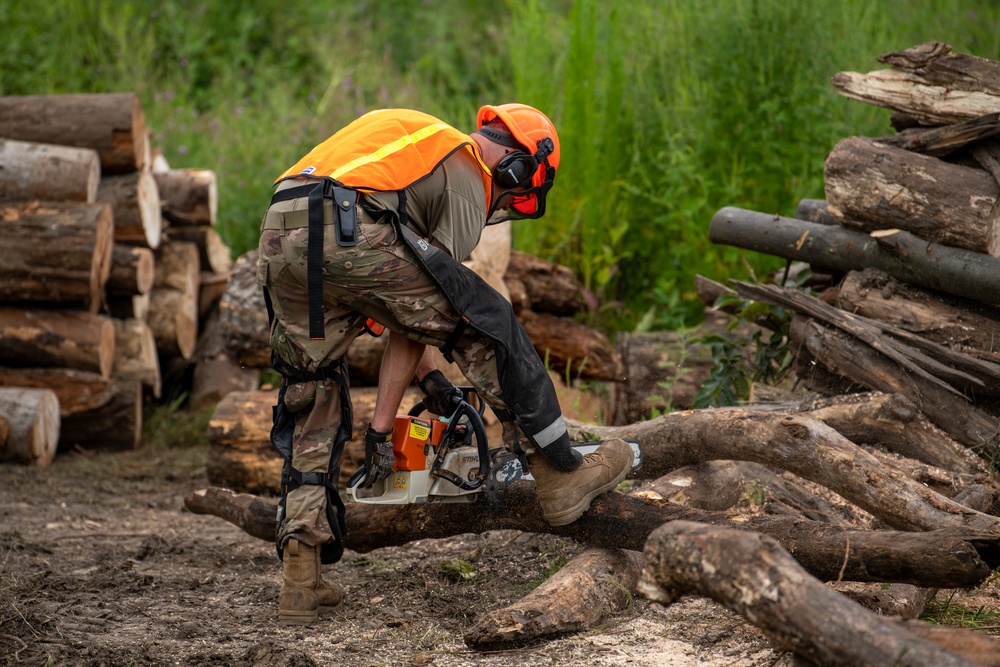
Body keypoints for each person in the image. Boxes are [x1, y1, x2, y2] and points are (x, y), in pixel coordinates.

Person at [257, 104, 634, 626]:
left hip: (283, 228)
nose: (501, 205)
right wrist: (382, 430)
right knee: (485, 321)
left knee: (312, 391)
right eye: (514, 194)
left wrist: (432, 380)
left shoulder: (423, 148)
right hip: (345, 226)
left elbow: (409, 310)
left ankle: (301, 576)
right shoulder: (465, 168)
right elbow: (428, 316)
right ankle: (559, 471)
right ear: (517, 165)